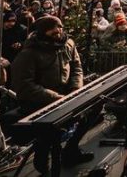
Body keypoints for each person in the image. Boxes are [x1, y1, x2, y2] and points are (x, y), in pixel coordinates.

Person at [11, 16, 96, 174]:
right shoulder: (29, 53)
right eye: (53, 28)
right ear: (43, 32)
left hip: (66, 95)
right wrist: (56, 98)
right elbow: (24, 86)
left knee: (94, 108)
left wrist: (75, 89)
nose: (58, 31)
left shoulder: (68, 44)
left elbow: (76, 67)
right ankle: (43, 163)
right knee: (49, 135)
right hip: (39, 101)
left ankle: (71, 150)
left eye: (60, 27)